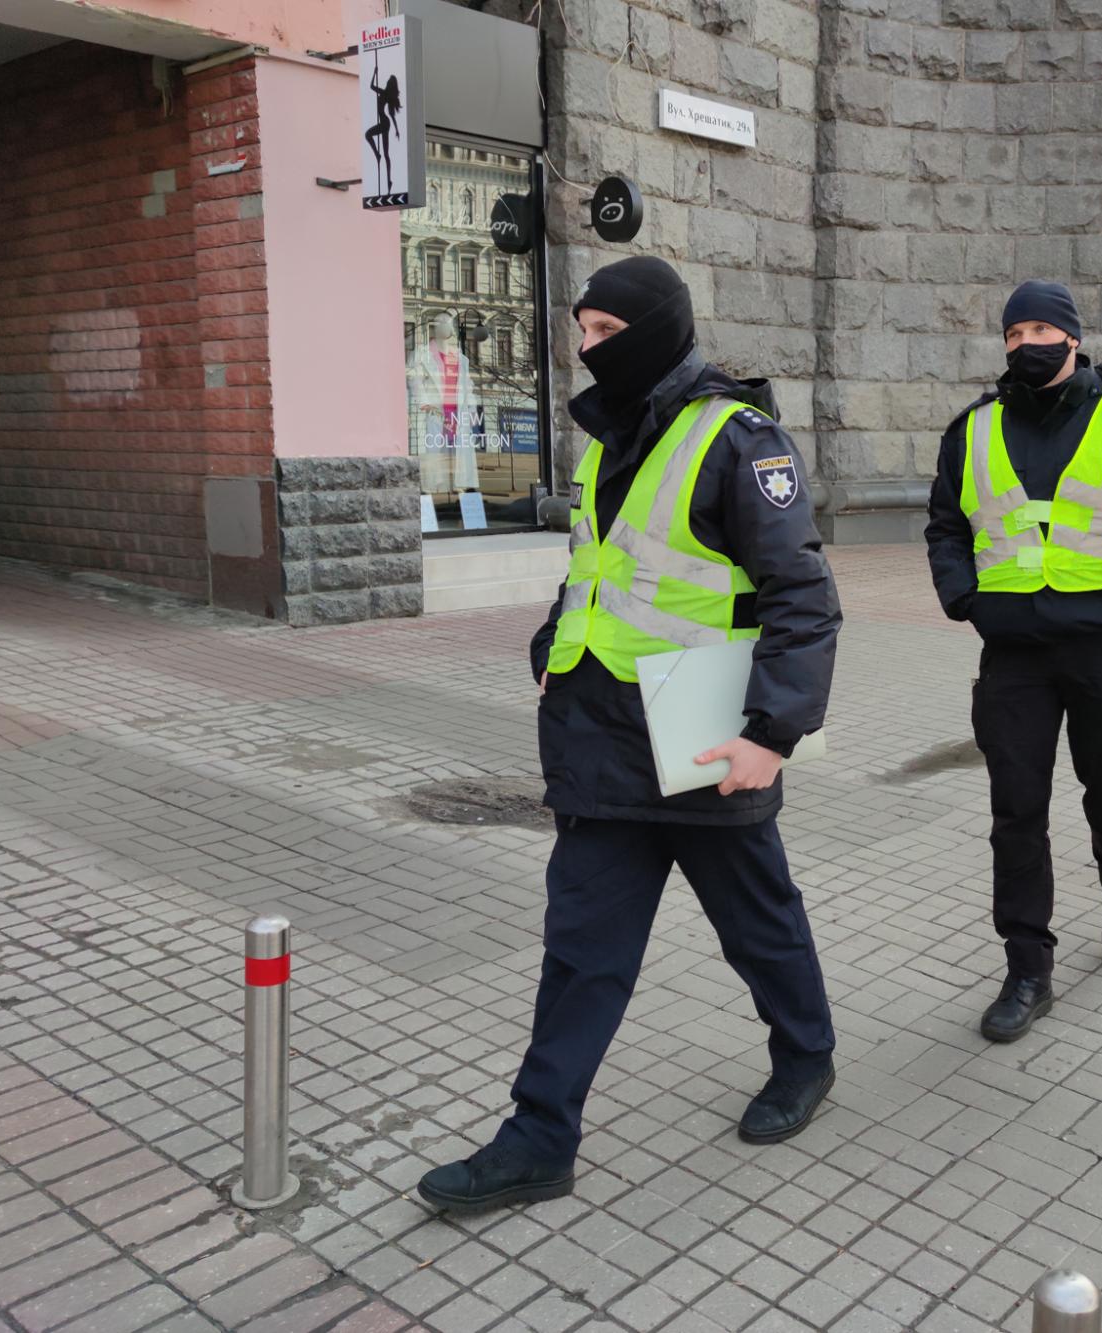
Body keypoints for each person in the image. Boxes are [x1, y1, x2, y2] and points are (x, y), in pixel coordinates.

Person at [418, 257, 840, 1213]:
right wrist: (547, 639)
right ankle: (538, 1138)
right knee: (581, 950)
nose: (584, 347)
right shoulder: (606, 442)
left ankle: (805, 1056)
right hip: (602, 739)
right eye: (582, 330)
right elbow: (599, 568)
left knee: (758, 923)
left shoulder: (740, 439)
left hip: (702, 734)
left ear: (655, 333)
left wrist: (772, 734)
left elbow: (803, 600)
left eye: (605, 332)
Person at [925, 280, 1102, 1043]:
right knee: (1015, 814)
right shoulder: (975, 427)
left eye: (1040, 330)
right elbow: (945, 525)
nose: (1026, 344)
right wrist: (965, 598)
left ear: (1074, 337)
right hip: (1014, 654)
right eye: (1013, 333)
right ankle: (1028, 968)